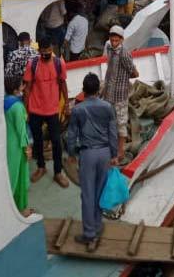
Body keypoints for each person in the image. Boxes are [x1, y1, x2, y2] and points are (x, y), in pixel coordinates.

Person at [66, 73, 119, 251]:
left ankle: (89, 234)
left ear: (83, 90)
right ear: (98, 89)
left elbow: (71, 134)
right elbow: (113, 132)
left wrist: (72, 152)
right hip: (104, 153)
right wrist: (114, 154)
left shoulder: (77, 109)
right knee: (100, 192)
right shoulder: (108, 107)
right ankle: (97, 226)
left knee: (87, 194)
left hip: (87, 154)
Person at [23, 39, 69, 187]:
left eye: (48, 51)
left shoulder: (58, 63)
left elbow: (63, 83)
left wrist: (67, 104)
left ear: (52, 49)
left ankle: (57, 172)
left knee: (56, 142)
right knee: (37, 140)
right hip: (35, 109)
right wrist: (25, 109)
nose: (46, 54)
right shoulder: (33, 64)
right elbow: (28, 88)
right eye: (43, 52)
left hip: (52, 110)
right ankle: (41, 167)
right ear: (39, 51)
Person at [102, 26, 139, 161]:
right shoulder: (109, 49)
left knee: (121, 122)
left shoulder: (124, 54)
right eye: (112, 40)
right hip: (109, 93)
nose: (114, 43)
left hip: (120, 95)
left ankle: (120, 151)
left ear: (122, 40)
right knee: (110, 120)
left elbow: (134, 73)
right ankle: (111, 145)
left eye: (116, 41)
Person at [4, 75, 32, 217]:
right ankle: (21, 208)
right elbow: (22, 131)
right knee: (20, 176)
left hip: (7, 144)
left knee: (10, 175)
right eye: (22, 85)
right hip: (17, 147)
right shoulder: (17, 107)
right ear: (16, 90)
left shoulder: (4, 103)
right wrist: (27, 148)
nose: (24, 87)